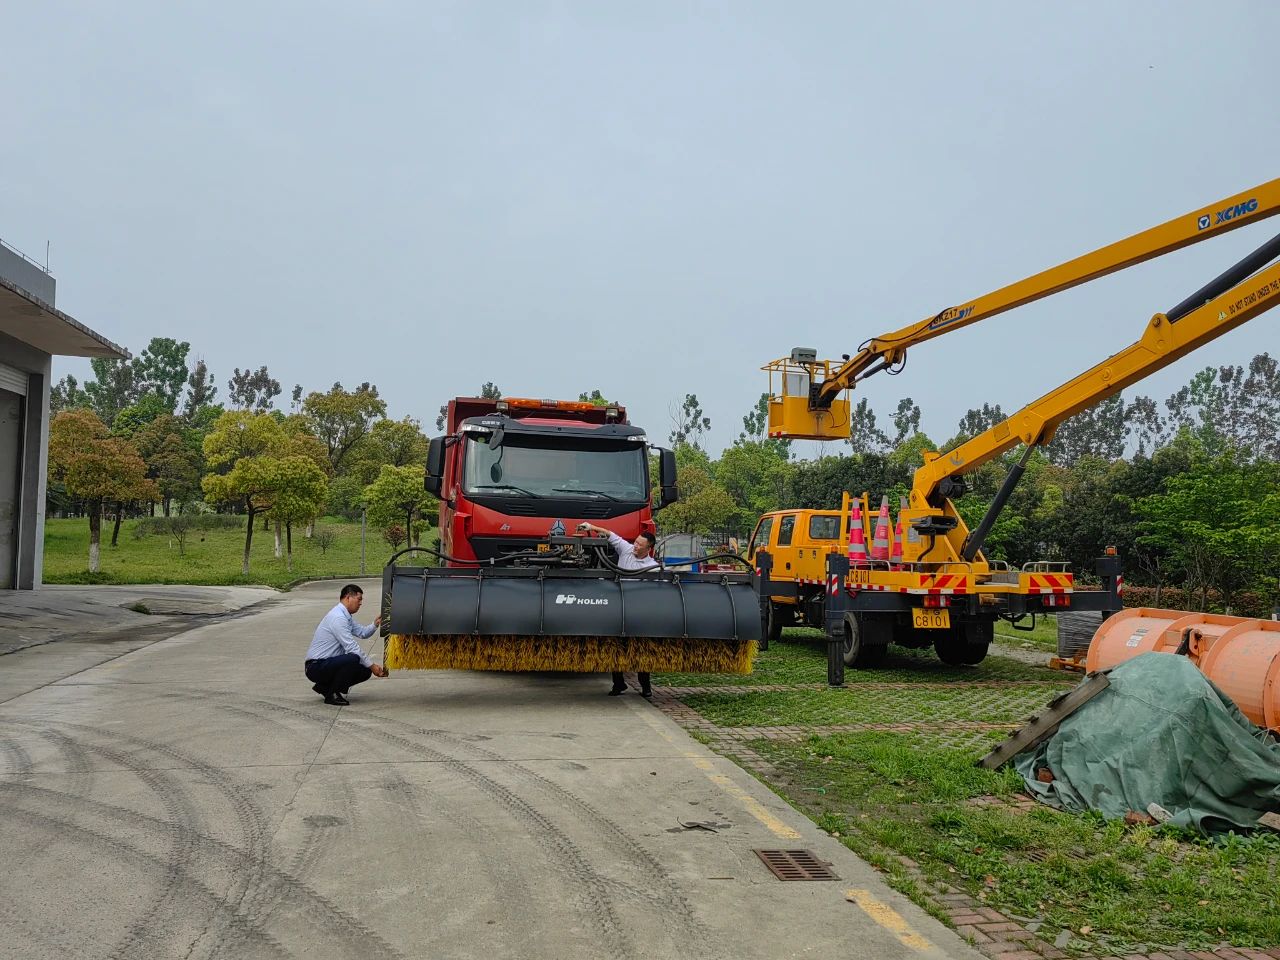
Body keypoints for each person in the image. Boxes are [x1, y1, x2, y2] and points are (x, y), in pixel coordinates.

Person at [577, 522, 658, 698]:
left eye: (640, 545)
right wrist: (591, 527)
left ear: (649, 549)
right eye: (635, 542)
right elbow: (609, 533)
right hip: (619, 607)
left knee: (640, 649)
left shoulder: (653, 566)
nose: (635, 546)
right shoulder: (626, 549)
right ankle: (619, 684)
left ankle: (645, 686)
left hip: (638, 612)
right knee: (616, 648)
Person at [305, 584, 388, 705]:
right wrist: (372, 666)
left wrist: (375, 624)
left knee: (364, 670)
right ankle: (332, 694)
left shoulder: (345, 616)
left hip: (327, 663)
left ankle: (324, 687)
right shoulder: (338, 618)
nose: (360, 603)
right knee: (353, 658)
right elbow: (352, 647)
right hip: (316, 666)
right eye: (359, 599)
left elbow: (362, 632)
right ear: (348, 597)